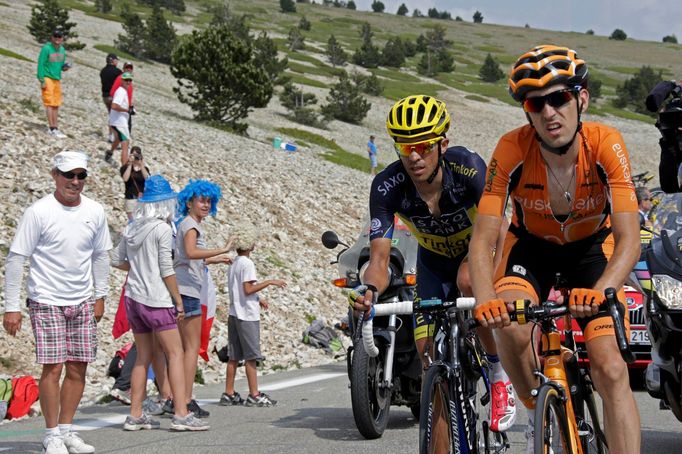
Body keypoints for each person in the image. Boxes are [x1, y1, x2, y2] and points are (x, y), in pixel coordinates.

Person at [469, 45, 641, 454]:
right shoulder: (511, 149)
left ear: (581, 99)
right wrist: (485, 298)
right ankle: (538, 407)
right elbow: (483, 239)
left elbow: (630, 239)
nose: (549, 112)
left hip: (592, 252)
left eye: (559, 98)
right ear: (526, 111)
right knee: (508, 323)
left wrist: (602, 290)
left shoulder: (606, 144)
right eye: (536, 103)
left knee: (610, 368)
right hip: (531, 248)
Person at [348, 94, 517, 443]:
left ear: (443, 143)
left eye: (423, 146)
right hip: (433, 266)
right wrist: (370, 290)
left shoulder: (468, 168)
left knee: (468, 279)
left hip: (477, 252)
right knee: (430, 367)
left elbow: (500, 230)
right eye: (405, 146)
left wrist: (497, 280)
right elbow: (379, 259)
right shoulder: (387, 186)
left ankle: (499, 374)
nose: (413, 156)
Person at [3, 150, 111, 454]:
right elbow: (16, 259)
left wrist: (100, 295)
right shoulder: (39, 212)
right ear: (55, 175)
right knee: (52, 367)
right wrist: (11, 307)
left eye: (81, 176)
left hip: (82, 300)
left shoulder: (95, 211)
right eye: (68, 175)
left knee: (79, 368)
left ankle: (66, 429)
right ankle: (51, 434)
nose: (74, 182)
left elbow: (100, 255)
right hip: (46, 299)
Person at [110, 175, 210, 432]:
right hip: (156, 299)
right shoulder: (163, 229)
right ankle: (180, 413)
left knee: (143, 357)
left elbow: (116, 259)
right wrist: (177, 300)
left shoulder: (133, 227)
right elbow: (167, 268)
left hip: (134, 298)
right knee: (175, 354)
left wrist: (138, 270)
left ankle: (135, 414)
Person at [172, 180, 234, 417]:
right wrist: (222, 249)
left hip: (184, 287)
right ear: (189, 202)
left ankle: (179, 397)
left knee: (183, 348)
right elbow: (190, 252)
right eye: (202, 200)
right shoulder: (191, 226)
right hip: (188, 290)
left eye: (209, 201)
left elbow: (188, 258)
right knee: (190, 348)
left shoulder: (187, 223)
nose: (206, 205)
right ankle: (186, 399)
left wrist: (214, 260)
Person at [220, 232, 286, 407]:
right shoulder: (247, 263)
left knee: (233, 356)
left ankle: (229, 393)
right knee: (251, 356)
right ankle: (254, 394)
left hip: (234, 313)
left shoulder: (234, 263)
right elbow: (248, 289)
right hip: (247, 315)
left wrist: (259, 297)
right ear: (250, 245)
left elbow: (240, 290)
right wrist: (270, 282)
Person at [37, 29, 70, 139]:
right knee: (49, 103)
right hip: (47, 78)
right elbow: (41, 64)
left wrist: (64, 67)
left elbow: (60, 65)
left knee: (56, 103)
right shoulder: (46, 49)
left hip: (56, 79)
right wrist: (42, 80)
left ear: (62, 38)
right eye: (55, 36)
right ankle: (51, 128)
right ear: (52, 37)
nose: (57, 38)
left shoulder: (62, 50)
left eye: (59, 36)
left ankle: (55, 127)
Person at [107, 72, 133, 165]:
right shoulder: (121, 91)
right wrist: (127, 110)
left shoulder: (122, 91)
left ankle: (109, 153)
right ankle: (125, 169)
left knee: (118, 139)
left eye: (130, 80)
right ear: (122, 80)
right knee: (125, 144)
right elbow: (114, 106)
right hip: (119, 122)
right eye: (126, 80)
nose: (128, 82)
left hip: (116, 121)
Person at [120, 146, 150, 222]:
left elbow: (148, 179)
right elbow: (125, 179)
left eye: (137, 156)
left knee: (141, 222)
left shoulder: (145, 169)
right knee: (132, 222)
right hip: (130, 198)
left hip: (142, 199)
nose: (135, 158)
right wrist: (130, 164)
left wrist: (141, 165)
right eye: (134, 155)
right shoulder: (125, 168)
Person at [99, 53, 122, 143]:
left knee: (111, 115)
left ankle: (110, 135)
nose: (117, 62)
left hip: (105, 96)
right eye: (116, 60)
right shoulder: (118, 72)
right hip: (114, 96)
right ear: (113, 61)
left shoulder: (103, 71)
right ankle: (114, 137)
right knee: (116, 117)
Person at [110, 62, 135, 134]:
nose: (129, 69)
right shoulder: (120, 78)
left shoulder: (129, 80)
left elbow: (129, 95)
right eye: (127, 67)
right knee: (124, 128)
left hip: (127, 107)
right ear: (123, 69)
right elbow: (112, 92)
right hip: (121, 107)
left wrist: (131, 105)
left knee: (126, 127)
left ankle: (119, 142)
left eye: (130, 68)